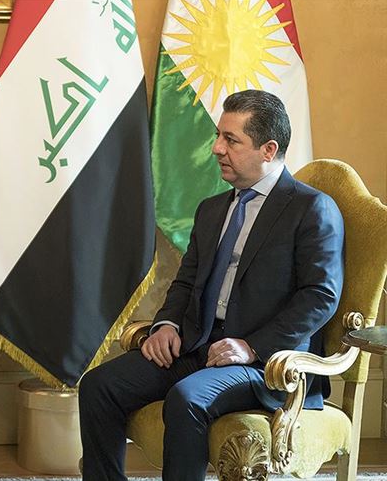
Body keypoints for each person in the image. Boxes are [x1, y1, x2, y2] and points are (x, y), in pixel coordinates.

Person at [78, 89, 344, 481]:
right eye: (219, 136)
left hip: (267, 364)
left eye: (231, 140)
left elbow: (320, 296)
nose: (217, 147)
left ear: (269, 150)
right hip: (198, 345)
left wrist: (251, 346)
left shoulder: (311, 209)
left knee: (187, 398)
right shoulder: (212, 209)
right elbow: (186, 281)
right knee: (100, 385)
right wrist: (166, 325)